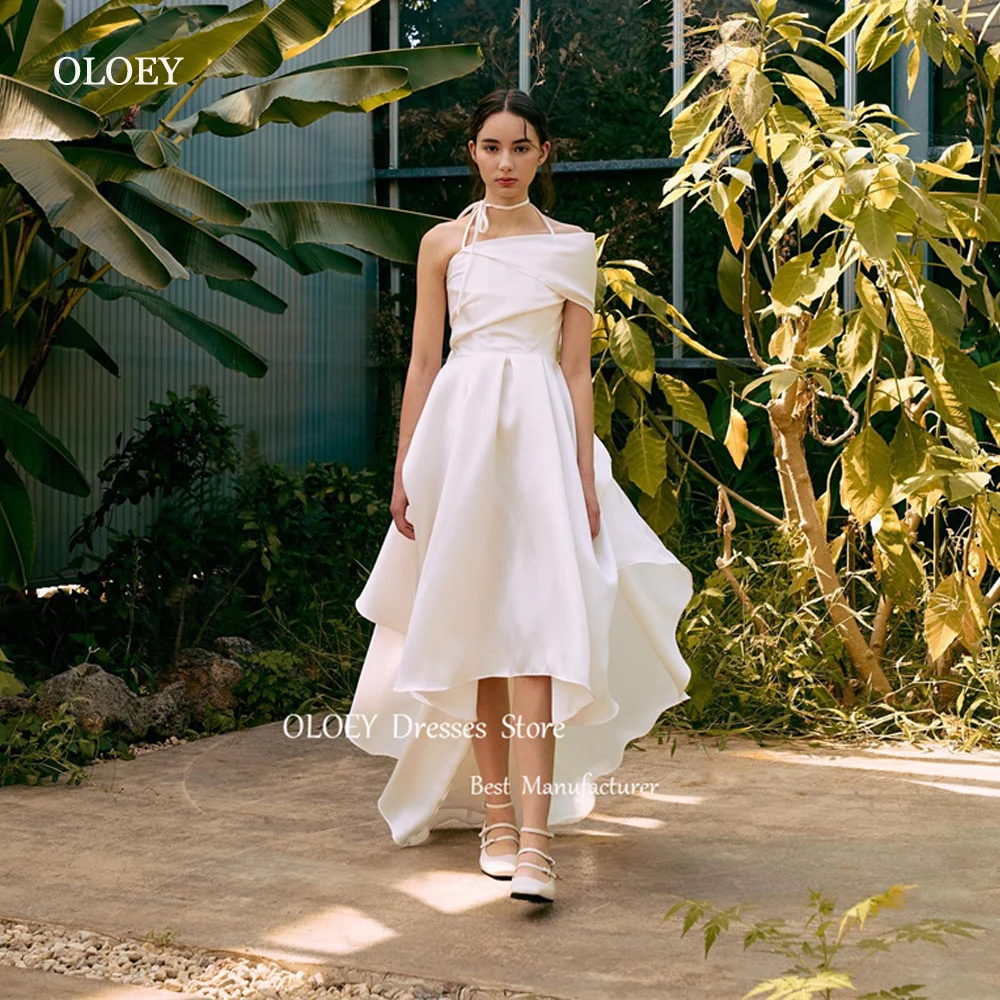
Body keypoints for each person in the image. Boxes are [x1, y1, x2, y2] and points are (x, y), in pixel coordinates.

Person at [348, 88, 693, 905]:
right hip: (459, 442)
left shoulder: (574, 248)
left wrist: (582, 472)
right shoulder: (441, 244)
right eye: (492, 146)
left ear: (545, 155)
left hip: (540, 440)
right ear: (472, 151)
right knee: (475, 637)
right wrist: (404, 467)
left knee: (539, 637)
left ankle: (537, 841)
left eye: (521, 147)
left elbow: (576, 370)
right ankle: (497, 818)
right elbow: (425, 362)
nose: (505, 162)